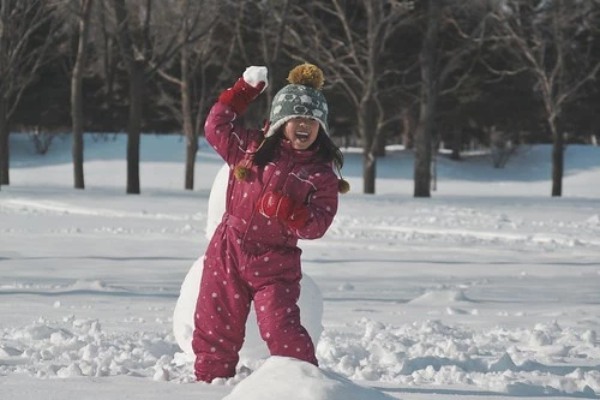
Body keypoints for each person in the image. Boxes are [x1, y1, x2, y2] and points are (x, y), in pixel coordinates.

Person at [192, 63, 349, 383]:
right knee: (215, 323)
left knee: (281, 326)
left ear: (321, 127)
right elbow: (215, 127)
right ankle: (209, 385)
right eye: (297, 118)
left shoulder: (320, 174)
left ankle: (302, 384)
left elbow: (319, 223)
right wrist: (241, 94)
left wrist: (294, 213)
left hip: (275, 262)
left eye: (312, 120)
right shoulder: (250, 148)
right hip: (228, 250)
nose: (304, 125)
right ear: (281, 121)